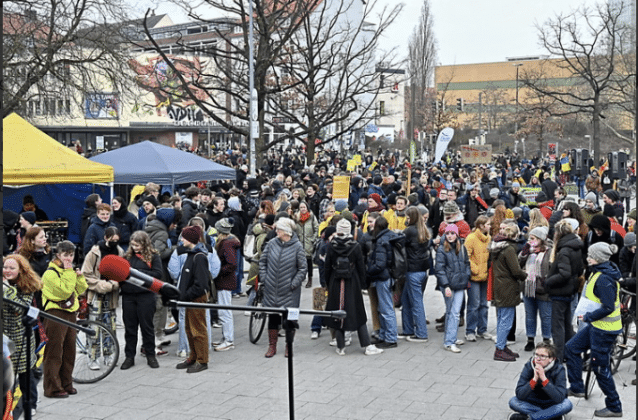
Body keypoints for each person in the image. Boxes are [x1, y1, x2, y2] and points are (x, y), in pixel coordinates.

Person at [565, 242, 623, 418]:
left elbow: (608, 307)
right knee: (571, 348)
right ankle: (577, 387)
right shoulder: (600, 272)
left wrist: (588, 317)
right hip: (597, 326)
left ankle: (614, 406)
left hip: (604, 329)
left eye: (590, 255)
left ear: (597, 258)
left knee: (600, 367)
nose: (587, 257)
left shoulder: (604, 279)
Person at [324, 219, 383, 356]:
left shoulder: (331, 245)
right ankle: (367, 345)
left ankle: (340, 346)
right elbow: (361, 266)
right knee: (358, 312)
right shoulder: (355, 246)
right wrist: (363, 283)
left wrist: (327, 283)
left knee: (338, 313)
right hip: (352, 281)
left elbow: (327, 267)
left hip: (335, 282)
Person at [41, 241, 88, 398]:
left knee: (69, 351)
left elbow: (80, 290)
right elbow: (65, 292)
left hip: (70, 313)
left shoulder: (68, 271)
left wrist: (79, 278)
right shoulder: (50, 273)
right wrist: (70, 273)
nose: (69, 258)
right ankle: (52, 388)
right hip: (55, 313)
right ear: (58, 255)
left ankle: (66, 383)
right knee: (54, 352)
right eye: (66, 255)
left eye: (71, 255)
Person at [259, 217, 307, 358]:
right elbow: (263, 262)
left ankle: (289, 346)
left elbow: (302, 268)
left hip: (290, 291)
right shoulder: (272, 243)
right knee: (273, 318)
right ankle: (272, 346)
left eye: (278, 229)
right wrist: (265, 278)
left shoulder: (297, 246)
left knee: (290, 320)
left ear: (286, 232)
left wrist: (293, 284)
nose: (276, 231)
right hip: (271, 289)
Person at [3, 254, 44, 418]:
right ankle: (7, 407)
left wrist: (7, 290)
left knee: (26, 376)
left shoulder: (28, 287)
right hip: (5, 339)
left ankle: (32, 403)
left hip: (21, 339)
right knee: (6, 377)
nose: (7, 270)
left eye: (12, 268)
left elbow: (21, 309)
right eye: (5, 267)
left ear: (21, 270)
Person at [80, 226, 124, 370]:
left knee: (110, 326)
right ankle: (93, 357)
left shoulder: (119, 252)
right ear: (106, 237)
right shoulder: (94, 253)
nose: (115, 243)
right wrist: (103, 285)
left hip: (111, 296)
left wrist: (116, 283)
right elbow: (86, 274)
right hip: (96, 296)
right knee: (94, 328)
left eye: (117, 240)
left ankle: (108, 355)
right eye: (113, 240)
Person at [120, 231, 164, 370]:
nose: (135, 248)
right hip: (128, 296)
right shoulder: (127, 257)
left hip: (146, 296)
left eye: (137, 245)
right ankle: (129, 357)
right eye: (133, 245)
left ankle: (151, 355)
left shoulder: (154, 257)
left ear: (144, 244)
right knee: (130, 328)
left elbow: (158, 274)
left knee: (147, 327)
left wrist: (137, 273)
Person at [544, 219, 584, 362]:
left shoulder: (564, 250)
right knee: (567, 324)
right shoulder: (576, 246)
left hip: (560, 291)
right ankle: (573, 353)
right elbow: (579, 269)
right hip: (570, 290)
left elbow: (564, 273)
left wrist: (548, 281)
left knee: (558, 326)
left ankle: (559, 357)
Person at [175, 225, 212, 373]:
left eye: (183, 237)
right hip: (190, 298)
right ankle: (193, 356)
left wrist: (185, 295)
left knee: (198, 330)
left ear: (190, 239)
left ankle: (202, 360)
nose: (181, 239)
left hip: (196, 298)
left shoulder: (199, 256)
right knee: (189, 329)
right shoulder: (192, 253)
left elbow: (201, 284)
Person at [490, 223, 527, 362]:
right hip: (508, 287)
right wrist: (525, 275)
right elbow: (516, 270)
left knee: (501, 318)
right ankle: (500, 348)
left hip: (499, 285)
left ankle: (502, 345)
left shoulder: (497, 246)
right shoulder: (509, 249)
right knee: (506, 320)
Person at [508, 342, 572, 420]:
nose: (538, 359)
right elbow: (519, 394)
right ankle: (549, 416)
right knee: (513, 402)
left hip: (551, 403)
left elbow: (559, 397)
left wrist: (543, 379)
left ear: (551, 359)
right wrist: (534, 379)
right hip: (531, 402)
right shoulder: (529, 366)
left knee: (567, 405)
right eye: (536, 355)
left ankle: (531, 418)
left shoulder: (559, 369)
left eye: (542, 356)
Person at [436, 224, 471, 353]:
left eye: (452, 233)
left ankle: (451, 338)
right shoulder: (441, 249)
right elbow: (439, 269)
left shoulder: (461, 247)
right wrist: (445, 286)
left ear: (457, 234)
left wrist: (466, 276)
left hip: (460, 284)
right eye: (448, 233)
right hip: (449, 285)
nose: (450, 236)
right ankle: (449, 341)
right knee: (452, 312)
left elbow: (467, 263)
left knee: (455, 313)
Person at [518, 226, 553, 352]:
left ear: (541, 239)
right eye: (529, 238)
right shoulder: (529, 250)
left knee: (546, 316)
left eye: (533, 238)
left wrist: (546, 280)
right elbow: (519, 264)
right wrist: (524, 253)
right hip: (528, 287)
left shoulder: (549, 251)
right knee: (530, 315)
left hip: (543, 289)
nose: (530, 241)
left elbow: (553, 267)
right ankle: (530, 339)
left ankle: (546, 340)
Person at [366, 216, 398, 349]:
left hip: (382, 277)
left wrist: (369, 271)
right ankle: (385, 336)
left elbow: (380, 263)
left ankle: (390, 338)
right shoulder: (390, 236)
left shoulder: (381, 240)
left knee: (386, 308)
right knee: (385, 307)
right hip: (390, 275)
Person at [400, 206, 431, 342]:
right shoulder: (423, 229)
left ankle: (421, 333)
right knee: (406, 300)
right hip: (423, 270)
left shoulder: (409, 230)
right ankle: (408, 330)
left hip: (412, 270)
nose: (406, 219)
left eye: (407, 217)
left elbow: (400, 243)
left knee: (416, 303)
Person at [212, 218, 240, 352]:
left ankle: (228, 340)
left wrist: (218, 272)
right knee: (223, 311)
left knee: (225, 312)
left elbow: (232, 264)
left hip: (225, 281)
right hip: (225, 281)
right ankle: (225, 338)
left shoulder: (226, 244)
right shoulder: (228, 242)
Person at [464, 215, 493, 342]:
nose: (490, 226)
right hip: (474, 276)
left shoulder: (488, 238)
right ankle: (470, 331)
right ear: (481, 226)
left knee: (484, 304)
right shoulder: (471, 238)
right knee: (473, 305)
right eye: (488, 224)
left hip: (485, 276)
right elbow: (466, 256)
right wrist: (474, 269)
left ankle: (482, 329)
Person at [294, 201, 319, 288]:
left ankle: (310, 279)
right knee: (299, 262)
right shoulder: (296, 218)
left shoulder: (311, 217)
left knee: (309, 262)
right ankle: (301, 276)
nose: (303, 209)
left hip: (309, 243)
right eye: (301, 207)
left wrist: (313, 239)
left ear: (307, 208)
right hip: (299, 243)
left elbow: (316, 228)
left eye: (304, 207)